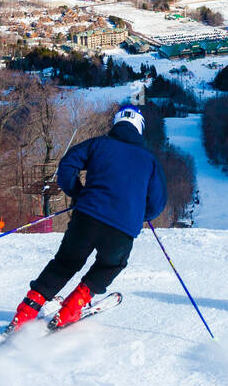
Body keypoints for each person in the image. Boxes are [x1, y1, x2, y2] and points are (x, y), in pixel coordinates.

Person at [9, 103, 167, 330]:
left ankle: (26, 311)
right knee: (111, 265)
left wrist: (78, 192)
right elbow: (157, 204)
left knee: (65, 263)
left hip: (87, 216)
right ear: (140, 128)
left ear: (116, 123)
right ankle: (73, 306)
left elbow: (67, 165)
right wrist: (135, 213)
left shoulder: (98, 144)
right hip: (121, 230)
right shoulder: (150, 161)